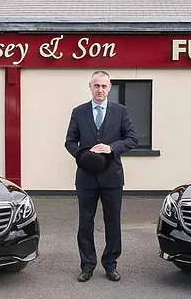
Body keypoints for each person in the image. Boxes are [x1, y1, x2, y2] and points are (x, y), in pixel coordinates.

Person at [64, 70, 138, 282]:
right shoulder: (79, 112)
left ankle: (110, 264)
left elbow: (132, 139)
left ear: (110, 87)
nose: (100, 89)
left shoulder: (120, 111)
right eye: (96, 85)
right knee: (85, 222)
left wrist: (111, 147)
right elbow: (69, 141)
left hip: (112, 177)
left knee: (112, 222)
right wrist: (83, 155)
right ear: (90, 87)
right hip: (86, 177)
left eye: (104, 86)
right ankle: (87, 265)